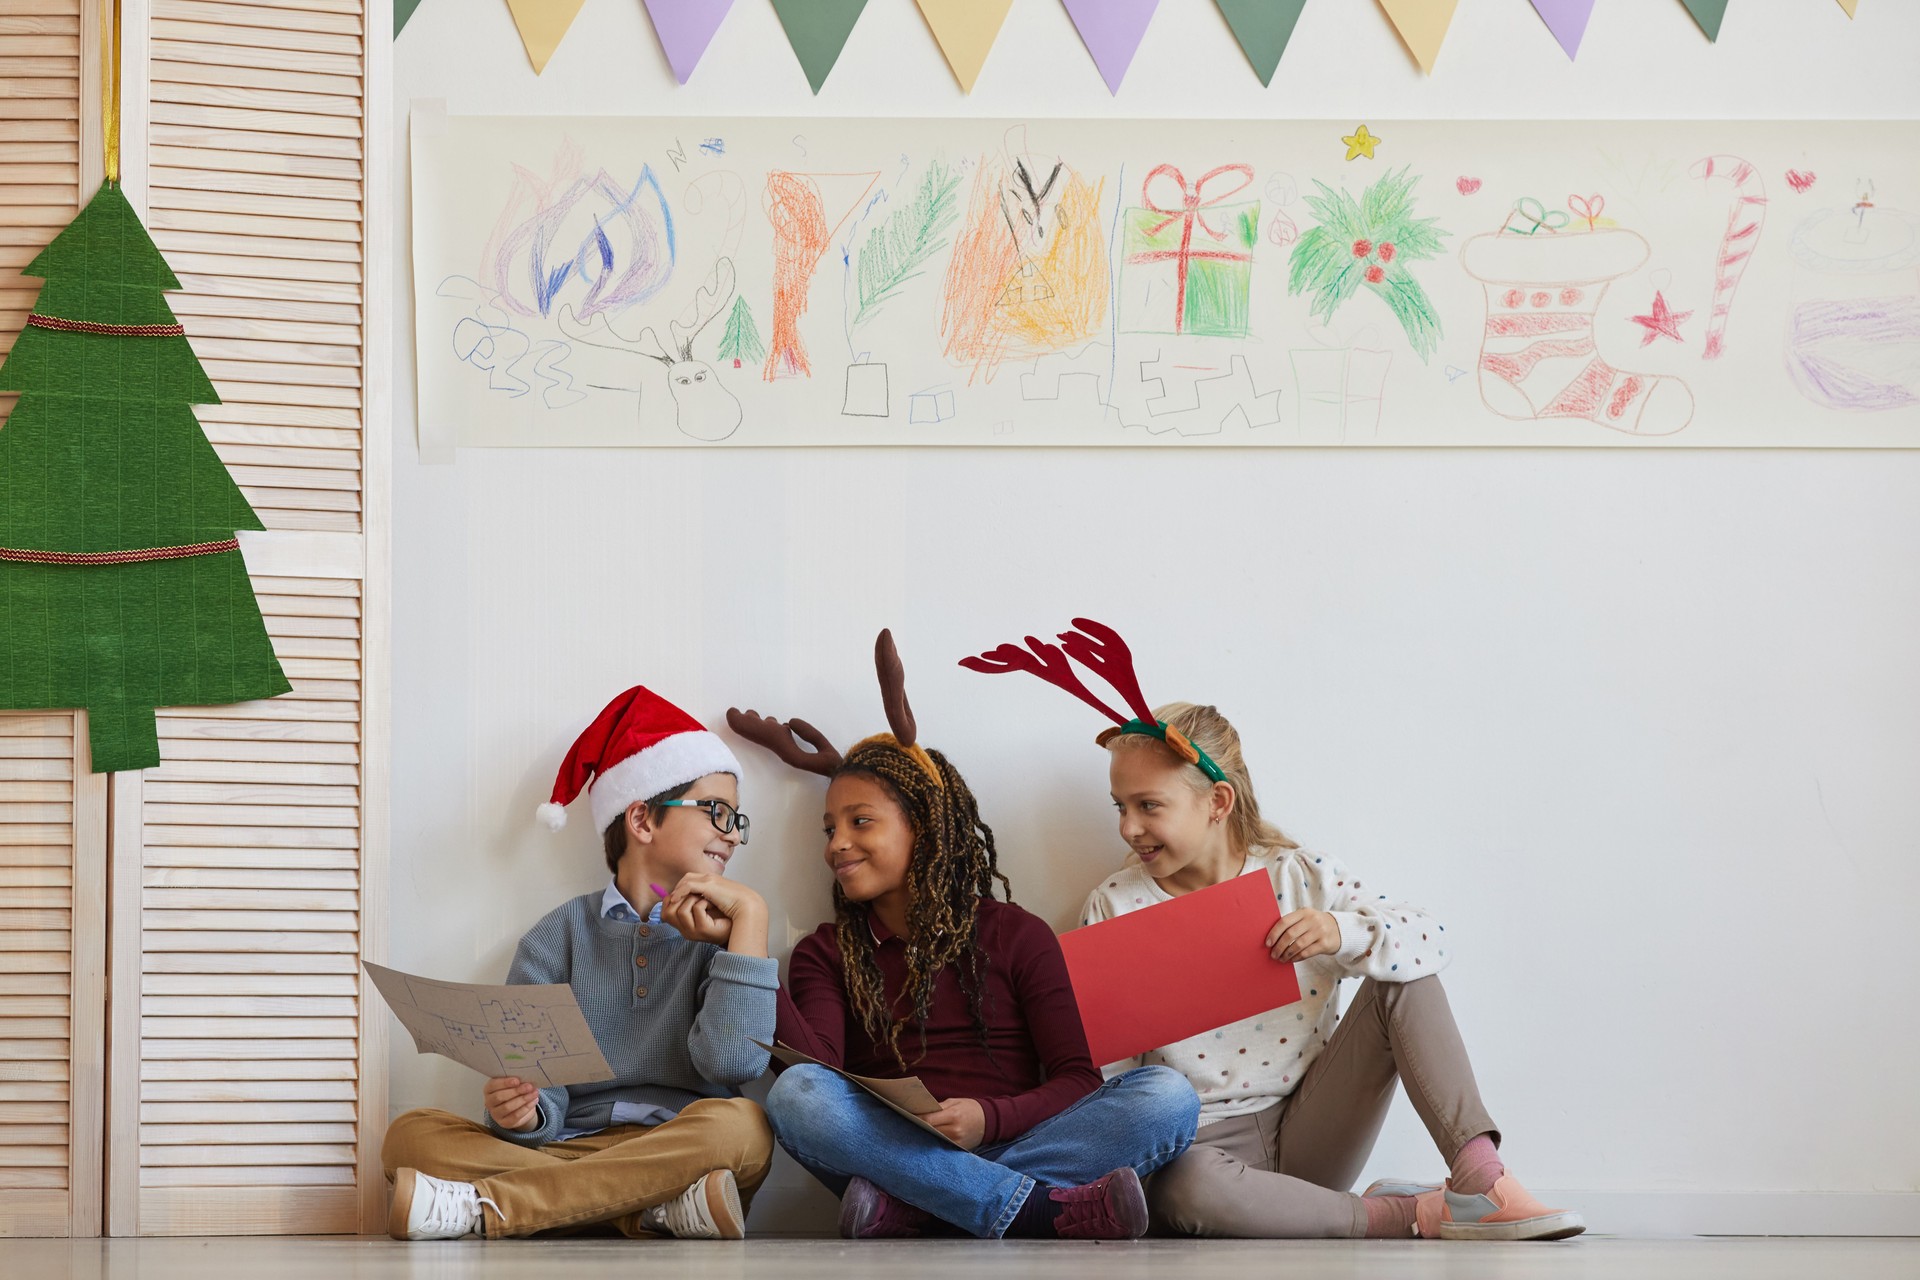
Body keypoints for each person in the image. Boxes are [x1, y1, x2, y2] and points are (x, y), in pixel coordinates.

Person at [963, 618, 1585, 1241]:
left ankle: (1481, 1179)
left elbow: (1432, 938)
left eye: (1149, 806)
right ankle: (1407, 1214)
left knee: (1403, 977)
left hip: (1313, 1125)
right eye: (1120, 807)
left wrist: (1341, 933)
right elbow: (1112, 1080)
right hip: (1196, 1151)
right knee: (1187, 1187)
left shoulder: (1298, 879)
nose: (1128, 828)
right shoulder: (1115, 903)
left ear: (1218, 802)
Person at [716, 631, 1199, 1240]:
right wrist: (747, 941)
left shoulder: (1016, 933)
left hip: (1004, 1139)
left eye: (860, 821)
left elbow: (1077, 1079)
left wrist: (989, 1120)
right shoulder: (826, 951)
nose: (836, 843)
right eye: (829, 827)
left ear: (925, 827)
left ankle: (923, 1206)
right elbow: (820, 1072)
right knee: (798, 1095)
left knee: (1169, 1097)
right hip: (890, 1146)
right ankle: (1031, 1210)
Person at [382, 686, 779, 1240]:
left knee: (746, 1126)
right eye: (717, 812)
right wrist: (522, 1112)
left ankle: (490, 1208)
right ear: (642, 819)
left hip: (683, 1143)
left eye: (738, 819)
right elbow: (537, 1086)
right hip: (576, 1147)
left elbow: (733, 1065)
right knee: (410, 1135)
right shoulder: (558, 935)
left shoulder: (730, 934)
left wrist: (752, 918)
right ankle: (647, 1212)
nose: (732, 834)